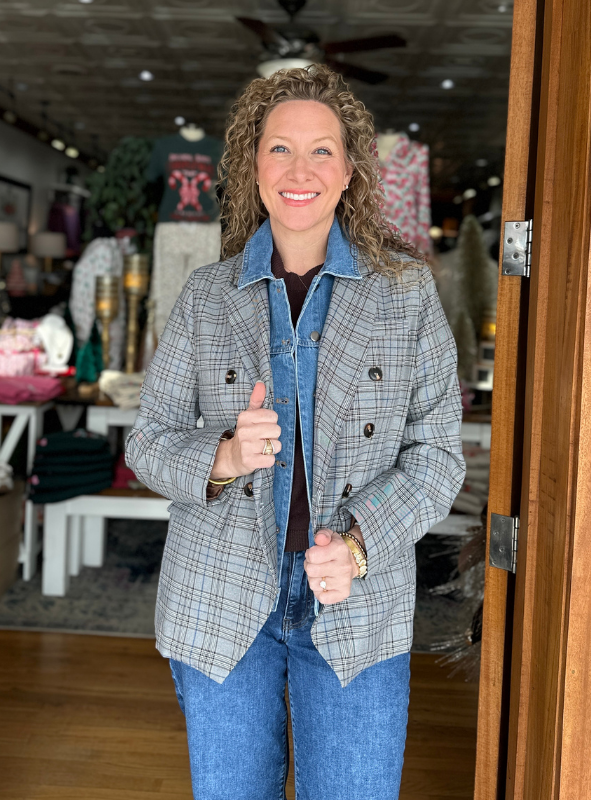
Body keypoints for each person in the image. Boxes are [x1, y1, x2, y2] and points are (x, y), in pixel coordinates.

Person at [125, 64, 466, 800]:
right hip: (221, 597)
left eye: (321, 151)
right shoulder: (206, 295)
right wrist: (223, 454)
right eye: (279, 148)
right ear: (253, 168)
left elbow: (438, 457)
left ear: (349, 173)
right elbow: (147, 442)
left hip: (356, 600)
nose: (299, 169)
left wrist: (359, 543)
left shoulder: (406, 294)